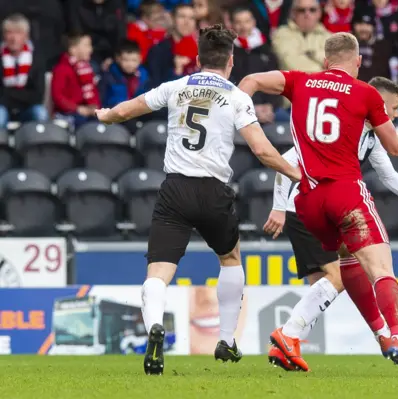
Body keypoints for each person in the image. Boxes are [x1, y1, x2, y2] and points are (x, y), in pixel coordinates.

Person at [93, 25, 302, 375]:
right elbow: (263, 151)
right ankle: (226, 340)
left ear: (197, 59)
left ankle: (155, 327)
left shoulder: (176, 87)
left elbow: (130, 110)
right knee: (230, 258)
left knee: (158, 272)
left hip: (175, 188)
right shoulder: (237, 97)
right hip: (214, 192)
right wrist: (298, 175)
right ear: (231, 61)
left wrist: (106, 114)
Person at [239, 32, 398, 377]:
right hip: (344, 195)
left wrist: (242, 117)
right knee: (381, 269)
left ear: (326, 61)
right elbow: (397, 148)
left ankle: (376, 337)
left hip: (309, 200)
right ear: (358, 62)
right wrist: (378, 117)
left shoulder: (300, 81)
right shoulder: (365, 94)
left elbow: (251, 80)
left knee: (347, 266)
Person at [228, 6, 285, 124]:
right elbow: (230, 84)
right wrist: (252, 108)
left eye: (247, 21)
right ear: (232, 24)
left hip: (269, 108)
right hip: (239, 108)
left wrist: (270, 106)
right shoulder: (228, 52)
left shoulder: (266, 50)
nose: (243, 26)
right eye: (238, 22)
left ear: (254, 22)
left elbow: (277, 81)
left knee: (288, 121)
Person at [0, 14, 48, 128]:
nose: (13, 38)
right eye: (9, 33)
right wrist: (21, 96)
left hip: (28, 109)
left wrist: (9, 94)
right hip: (4, 108)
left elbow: (38, 96)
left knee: (40, 113)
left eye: (18, 33)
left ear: (26, 36)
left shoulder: (36, 59)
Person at [51, 33, 101, 128]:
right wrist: (78, 108)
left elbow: (94, 92)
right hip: (66, 114)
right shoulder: (61, 69)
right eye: (86, 45)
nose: (90, 49)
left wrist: (93, 106)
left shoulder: (87, 69)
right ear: (72, 49)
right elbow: (58, 97)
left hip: (86, 113)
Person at [100, 40, 151, 131]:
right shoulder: (109, 76)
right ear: (118, 58)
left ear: (140, 59)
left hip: (140, 114)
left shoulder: (144, 76)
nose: (130, 64)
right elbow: (103, 100)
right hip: (117, 116)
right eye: (126, 60)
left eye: (134, 60)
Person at [146, 4, 198, 88]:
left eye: (192, 18)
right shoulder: (158, 50)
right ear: (173, 19)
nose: (187, 22)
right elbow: (155, 87)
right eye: (182, 17)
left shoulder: (200, 51)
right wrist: (177, 71)